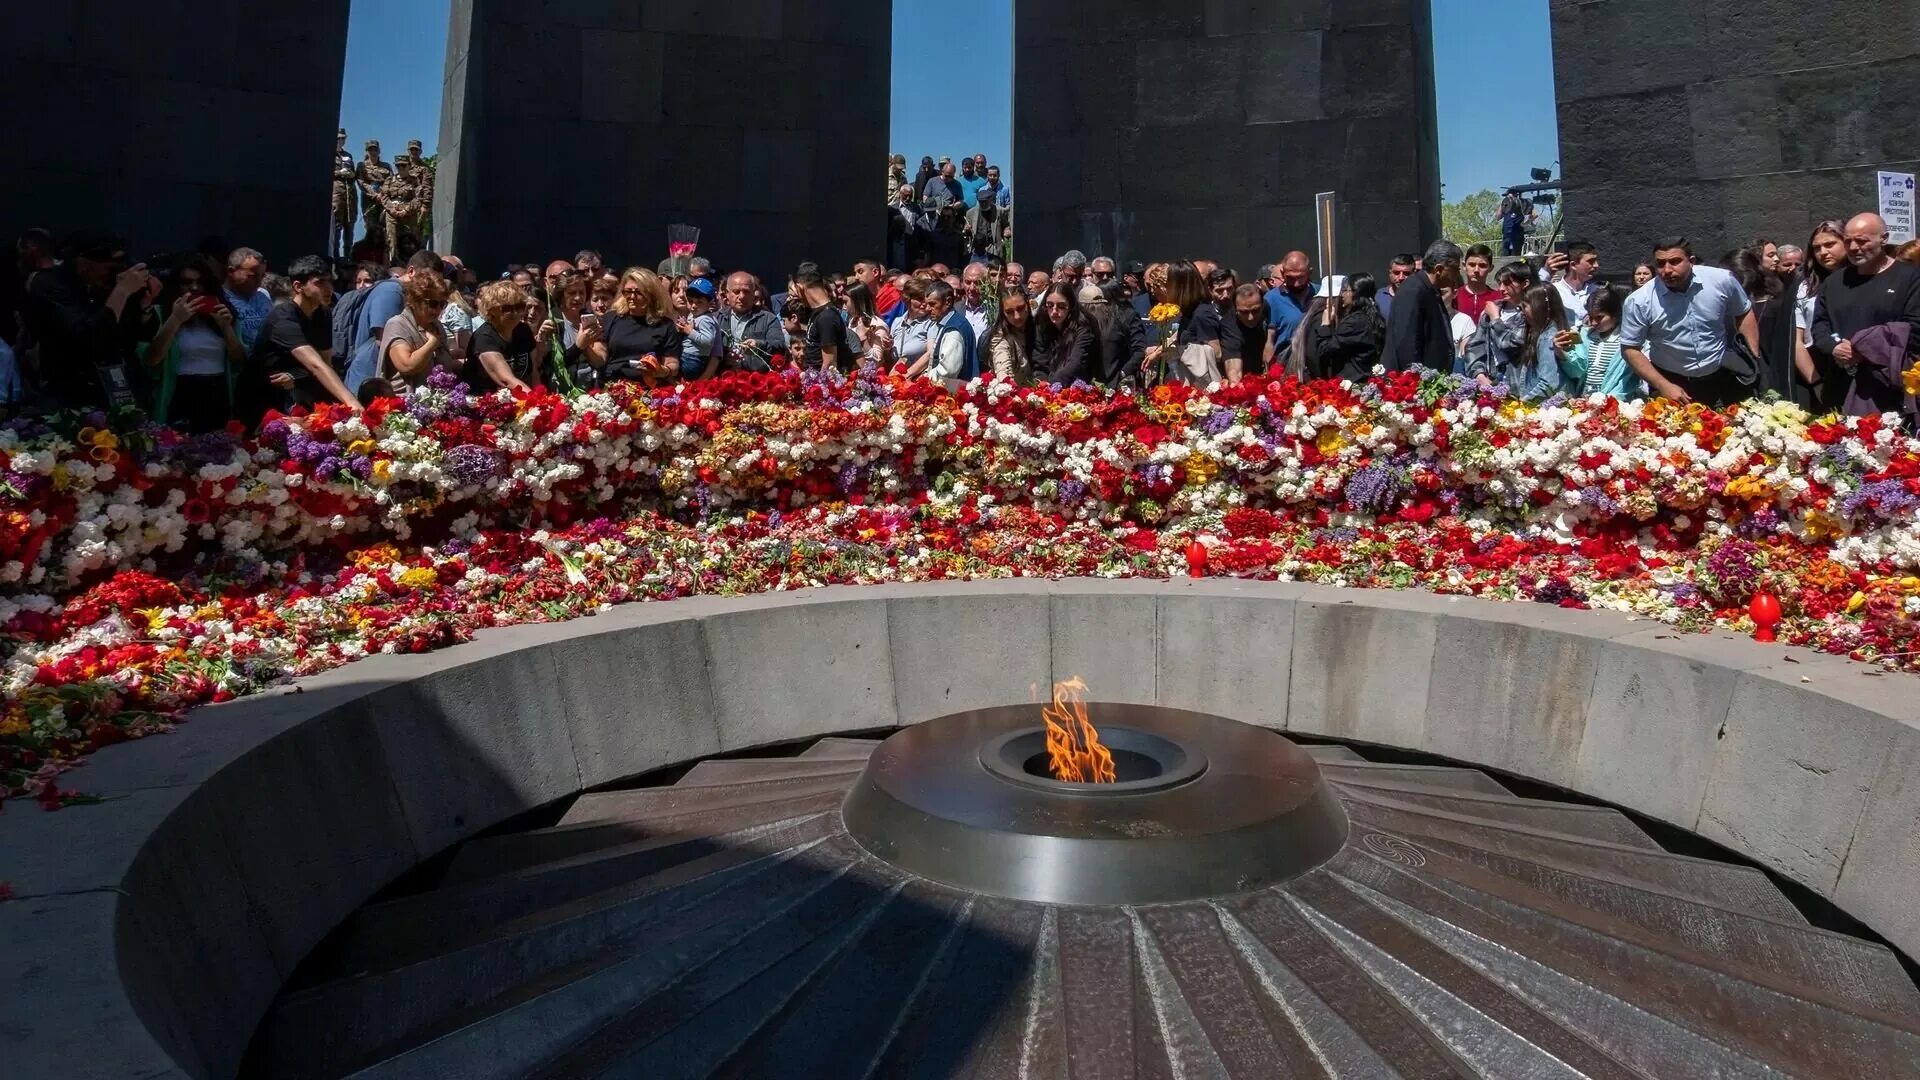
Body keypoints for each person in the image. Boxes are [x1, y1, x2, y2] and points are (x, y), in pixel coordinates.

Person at [1620, 236, 1761, 408]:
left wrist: (1752, 355)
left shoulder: (1722, 280)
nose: (1667, 270)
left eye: (1675, 261)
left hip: (1721, 375)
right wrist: (1663, 385)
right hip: (1671, 382)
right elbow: (1630, 349)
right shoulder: (1639, 301)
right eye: (1660, 263)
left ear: (1691, 261)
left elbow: (1744, 311)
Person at [23, 232, 150, 411]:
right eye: (110, 269)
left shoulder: (101, 288)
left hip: (116, 387)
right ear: (83, 265)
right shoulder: (49, 285)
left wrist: (141, 304)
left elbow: (129, 340)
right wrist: (121, 292)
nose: (114, 276)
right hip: (70, 394)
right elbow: (88, 339)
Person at [1809, 212, 1920, 416]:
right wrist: (1835, 347)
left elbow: (1915, 328)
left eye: (1861, 241)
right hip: (1841, 386)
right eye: (1848, 241)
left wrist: (1866, 346)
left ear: (1884, 239)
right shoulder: (1833, 283)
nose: (1853, 247)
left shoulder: (1911, 277)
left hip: (1891, 387)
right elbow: (1819, 326)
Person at [141, 255, 245, 431]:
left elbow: (239, 361)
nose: (195, 288)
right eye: (187, 283)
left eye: (200, 282)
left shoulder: (223, 314)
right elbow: (152, 360)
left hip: (216, 392)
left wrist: (226, 328)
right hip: (179, 392)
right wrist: (175, 320)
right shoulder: (161, 314)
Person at [251, 255, 354, 412]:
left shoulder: (323, 314)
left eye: (329, 281)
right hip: (265, 401)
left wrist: (297, 375)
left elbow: (325, 363)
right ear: (298, 286)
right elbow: (316, 365)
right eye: (320, 283)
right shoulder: (282, 319)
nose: (329, 289)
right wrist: (352, 404)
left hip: (300, 395)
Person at [582, 268, 680, 385]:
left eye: (638, 292)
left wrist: (660, 371)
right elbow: (600, 360)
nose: (632, 297)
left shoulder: (665, 325)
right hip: (614, 386)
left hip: (649, 390)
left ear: (650, 294)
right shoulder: (610, 319)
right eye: (627, 292)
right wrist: (585, 345)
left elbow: (673, 365)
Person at [1472, 282, 1570, 399]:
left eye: (1525, 306)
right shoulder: (1537, 333)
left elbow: (1548, 383)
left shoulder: (1548, 336)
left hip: (1543, 407)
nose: (1522, 312)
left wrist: (1522, 404)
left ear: (1539, 306)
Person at [1792, 220, 1847, 409]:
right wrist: (1815, 382)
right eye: (1817, 248)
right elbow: (1797, 341)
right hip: (1818, 366)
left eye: (1830, 244)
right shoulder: (1807, 287)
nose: (1823, 252)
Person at [1386, 240, 1461, 372]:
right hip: (1414, 385)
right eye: (1455, 269)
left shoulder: (1430, 290)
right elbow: (1407, 344)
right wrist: (1415, 381)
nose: (1457, 274)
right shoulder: (1413, 291)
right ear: (1439, 269)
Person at [1559, 285, 1644, 400]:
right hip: (1584, 399)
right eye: (1591, 317)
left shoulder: (1626, 341)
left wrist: (1609, 400)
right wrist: (1562, 353)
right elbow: (1577, 372)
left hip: (1613, 402)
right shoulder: (1586, 336)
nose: (1594, 323)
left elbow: (1627, 380)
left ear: (1614, 314)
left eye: (1599, 317)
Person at [465, 280, 546, 393]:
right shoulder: (484, 338)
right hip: (488, 402)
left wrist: (542, 398)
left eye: (520, 306)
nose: (516, 312)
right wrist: (537, 401)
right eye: (507, 308)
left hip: (522, 399)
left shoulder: (523, 330)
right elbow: (507, 380)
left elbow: (533, 373)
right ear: (492, 310)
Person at [1148, 261, 1220, 388]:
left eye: (1169, 284)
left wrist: (1182, 351)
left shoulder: (1201, 314)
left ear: (1179, 286)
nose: (1166, 289)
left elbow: (1216, 353)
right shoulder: (1187, 312)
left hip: (1204, 390)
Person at [379, 270, 455, 387]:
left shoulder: (437, 326)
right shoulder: (397, 324)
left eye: (442, 304)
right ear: (415, 301)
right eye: (433, 304)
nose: (438, 309)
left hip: (435, 400)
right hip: (403, 401)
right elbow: (406, 365)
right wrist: (432, 344)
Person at [1308, 272, 1387, 382]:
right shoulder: (1372, 316)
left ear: (1356, 293)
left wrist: (1325, 326)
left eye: (1345, 290)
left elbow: (1326, 350)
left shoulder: (1354, 322)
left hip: (1352, 381)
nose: (1342, 295)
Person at [1031, 283, 1095, 385]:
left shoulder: (1083, 327)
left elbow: (1075, 364)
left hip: (1075, 386)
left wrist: (1053, 386)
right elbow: (1040, 361)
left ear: (1071, 306)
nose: (1054, 311)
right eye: (1050, 305)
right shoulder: (1041, 324)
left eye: (1061, 306)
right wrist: (1042, 383)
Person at [720, 272, 784, 371]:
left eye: (746, 291)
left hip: (754, 381)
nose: (741, 296)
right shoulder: (716, 318)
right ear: (727, 294)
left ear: (754, 294)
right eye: (736, 291)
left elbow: (779, 345)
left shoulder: (768, 319)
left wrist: (758, 345)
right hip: (722, 379)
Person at [220, 247, 273, 352]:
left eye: (262, 276)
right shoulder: (220, 298)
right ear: (231, 271)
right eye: (253, 276)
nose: (259, 282)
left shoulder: (263, 295)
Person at [1221, 283, 1274, 384]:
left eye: (1255, 311)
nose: (1251, 317)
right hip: (1244, 369)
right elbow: (1233, 365)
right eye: (1244, 312)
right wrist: (1235, 384)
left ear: (1262, 305)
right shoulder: (1229, 324)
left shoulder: (1269, 308)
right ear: (1235, 309)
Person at [1263, 251, 1315, 351]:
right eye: (1290, 278)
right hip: (1285, 362)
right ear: (1283, 273)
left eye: (1300, 277)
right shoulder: (1271, 299)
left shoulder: (1319, 295)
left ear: (1309, 273)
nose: (1296, 284)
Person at [675, 276, 723, 381]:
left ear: (710, 303)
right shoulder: (694, 315)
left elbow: (707, 341)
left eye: (699, 302)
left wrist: (689, 331)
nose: (693, 306)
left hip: (693, 360)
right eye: (691, 301)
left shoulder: (706, 319)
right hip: (689, 357)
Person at [986, 287, 1034, 383]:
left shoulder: (1037, 327)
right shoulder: (1000, 338)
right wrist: (1007, 385)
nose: (1017, 316)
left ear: (1028, 305)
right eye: (1009, 312)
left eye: (1020, 309)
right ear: (1003, 313)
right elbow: (1003, 371)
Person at [843, 282, 894, 367]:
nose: (844, 307)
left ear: (857, 302)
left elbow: (877, 362)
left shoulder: (878, 325)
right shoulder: (852, 321)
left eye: (846, 302)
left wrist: (863, 340)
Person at [1552, 242, 1601, 321]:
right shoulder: (1554, 291)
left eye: (1596, 261)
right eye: (1591, 261)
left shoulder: (1597, 291)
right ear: (1573, 265)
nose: (1596, 265)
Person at [331, 129, 357, 260]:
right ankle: (335, 258)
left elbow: (353, 174)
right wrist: (340, 173)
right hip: (336, 194)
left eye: (343, 139)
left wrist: (351, 174)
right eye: (338, 139)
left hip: (349, 195)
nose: (341, 141)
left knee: (349, 226)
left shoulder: (348, 155)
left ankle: (348, 258)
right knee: (336, 227)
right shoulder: (329, 153)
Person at [1455, 245, 1500, 323]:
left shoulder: (1499, 298)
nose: (1476, 270)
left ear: (1490, 268)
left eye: (1482, 266)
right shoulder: (1454, 296)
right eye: (1472, 265)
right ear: (1464, 266)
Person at [958, 263, 991, 340]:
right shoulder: (955, 309)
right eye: (968, 282)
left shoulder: (996, 310)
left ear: (986, 283)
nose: (972, 288)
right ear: (962, 283)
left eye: (977, 283)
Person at [1379, 254, 1416, 321]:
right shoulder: (1379, 296)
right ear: (1390, 273)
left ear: (1414, 274)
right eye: (1396, 273)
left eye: (1406, 273)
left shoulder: (1421, 297)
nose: (1401, 277)